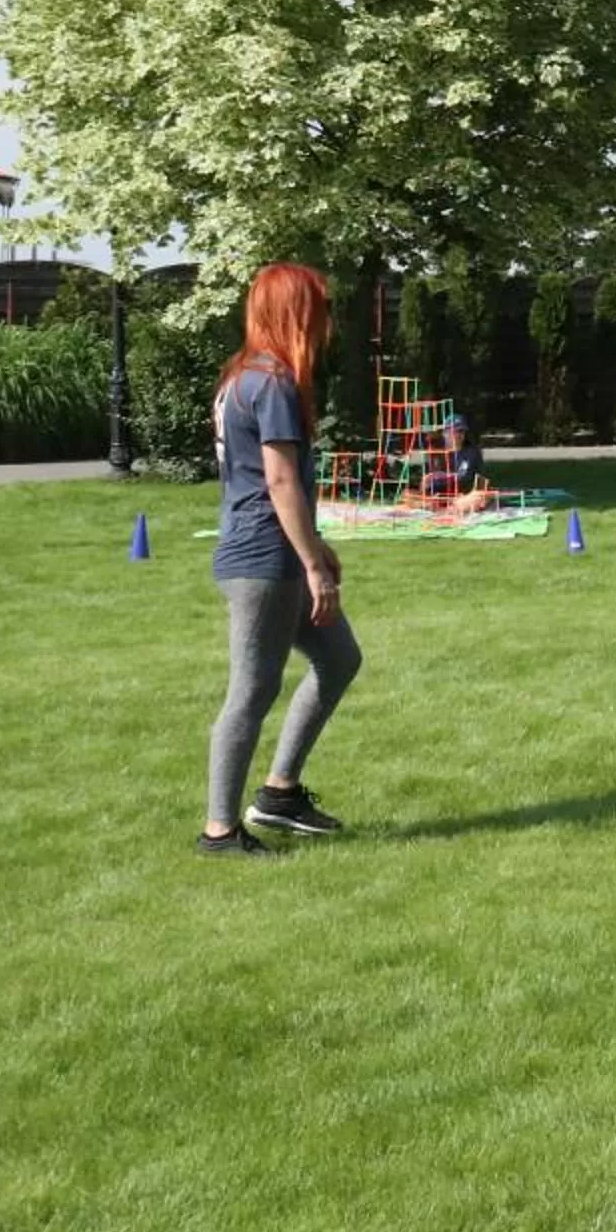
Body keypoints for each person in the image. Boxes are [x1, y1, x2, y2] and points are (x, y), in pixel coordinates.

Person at [203, 262, 362, 855]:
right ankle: (219, 829)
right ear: (295, 310)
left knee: (338, 658)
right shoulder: (271, 383)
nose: (326, 320)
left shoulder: (244, 378)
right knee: (252, 691)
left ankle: (279, 794)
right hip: (262, 558)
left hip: (277, 552)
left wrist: (316, 548)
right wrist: (313, 563)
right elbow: (278, 479)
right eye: (318, 307)